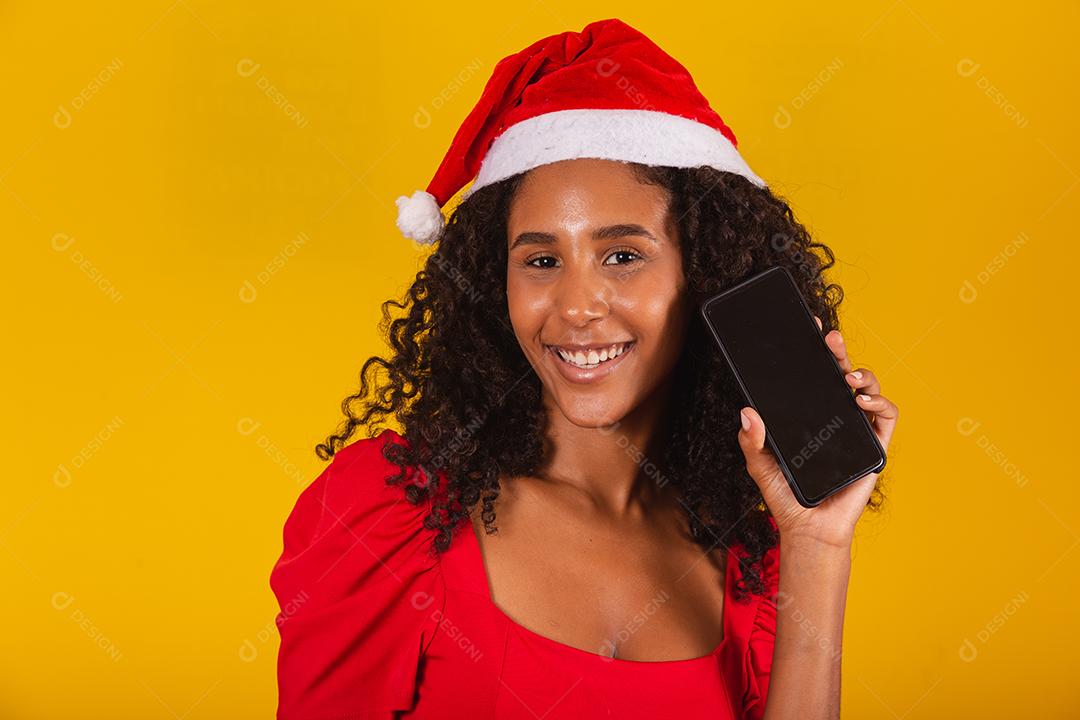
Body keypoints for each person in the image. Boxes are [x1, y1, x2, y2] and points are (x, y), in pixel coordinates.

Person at [269, 17, 898, 720]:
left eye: (623, 255)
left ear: (704, 274)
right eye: (541, 261)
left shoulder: (753, 568)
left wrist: (816, 543)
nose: (575, 307)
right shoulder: (390, 520)